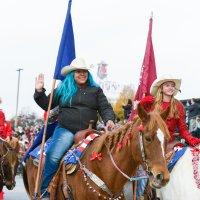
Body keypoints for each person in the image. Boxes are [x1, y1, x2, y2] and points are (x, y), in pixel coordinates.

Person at [34, 58, 115, 199]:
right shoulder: (62, 88)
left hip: (90, 133)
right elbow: (46, 104)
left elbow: (105, 108)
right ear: (72, 73)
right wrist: (39, 90)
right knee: (53, 155)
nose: (82, 74)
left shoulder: (96, 90)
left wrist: (109, 120)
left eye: (84, 72)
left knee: (108, 155)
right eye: (78, 71)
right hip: (66, 130)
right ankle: (45, 192)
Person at [130, 75, 200, 199]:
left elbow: (183, 130)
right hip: (151, 141)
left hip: (170, 143)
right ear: (161, 88)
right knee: (143, 165)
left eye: (172, 86)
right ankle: (142, 194)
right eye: (167, 85)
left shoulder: (178, 106)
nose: (170, 88)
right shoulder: (150, 102)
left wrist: (195, 141)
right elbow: (139, 116)